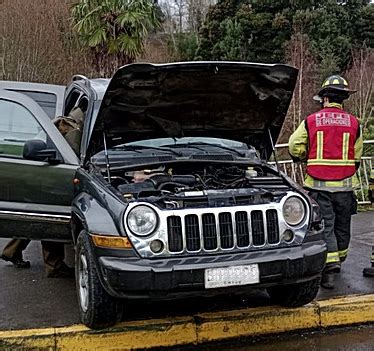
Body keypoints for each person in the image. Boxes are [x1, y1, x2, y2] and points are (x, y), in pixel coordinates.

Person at [289, 75, 363, 289]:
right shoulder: (354, 123)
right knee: (342, 225)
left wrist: (304, 156)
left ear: (324, 98)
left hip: (318, 186)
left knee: (326, 226)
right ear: (343, 99)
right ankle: (339, 258)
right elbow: (356, 157)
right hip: (346, 186)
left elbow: (294, 146)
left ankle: (330, 267)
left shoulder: (311, 121)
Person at [0, 105, 85, 277]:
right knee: (52, 221)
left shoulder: (61, 123)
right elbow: (72, 160)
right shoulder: (73, 132)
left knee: (35, 217)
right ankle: (53, 266)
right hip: (52, 177)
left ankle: (11, 251)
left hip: (42, 174)